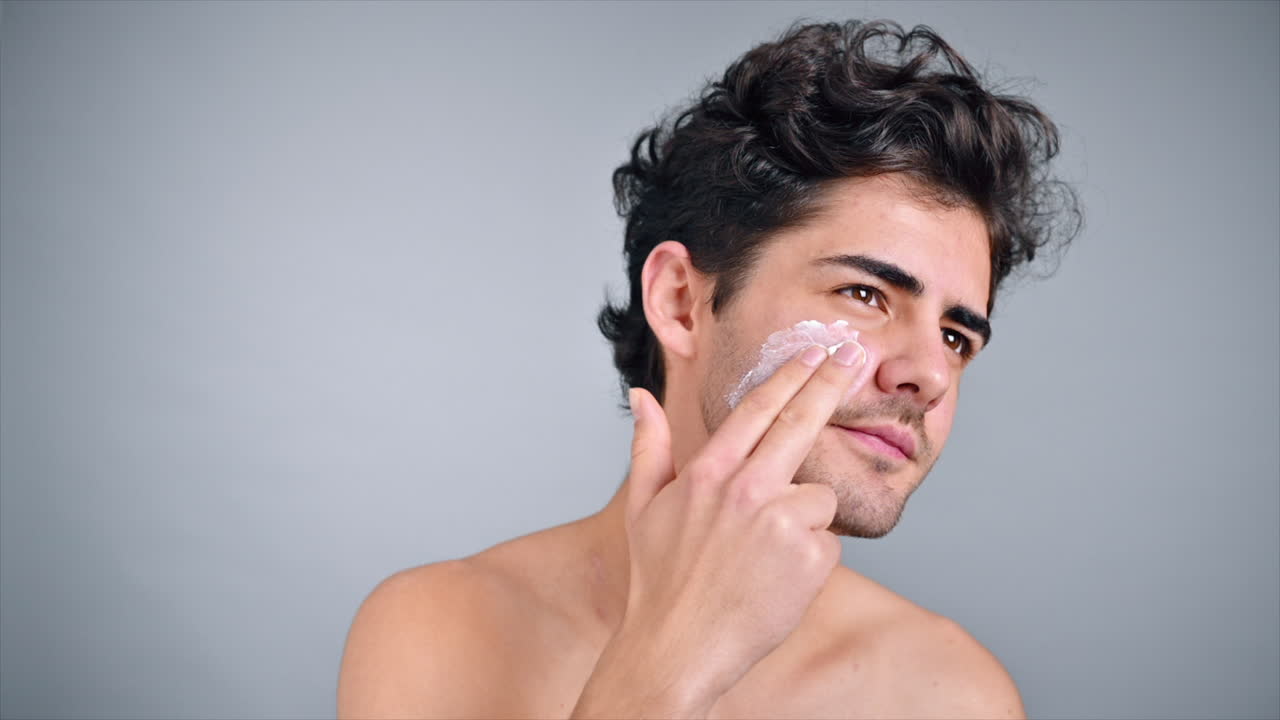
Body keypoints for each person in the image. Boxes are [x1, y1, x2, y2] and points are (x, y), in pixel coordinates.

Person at [337, 19, 1080, 719]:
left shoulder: (949, 696)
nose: (931, 374)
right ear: (681, 302)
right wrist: (667, 662)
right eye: (865, 293)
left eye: (957, 337)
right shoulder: (435, 631)